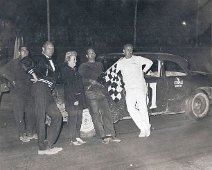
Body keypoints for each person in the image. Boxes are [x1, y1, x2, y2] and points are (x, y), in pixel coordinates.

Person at [79, 48, 121, 144]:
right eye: (90, 53)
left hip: (101, 91)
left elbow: (103, 77)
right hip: (90, 92)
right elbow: (80, 80)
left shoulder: (100, 64)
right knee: (95, 114)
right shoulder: (83, 66)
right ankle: (102, 136)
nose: (92, 54)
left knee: (107, 113)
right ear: (86, 56)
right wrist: (89, 81)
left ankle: (111, 135)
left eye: (93, 52)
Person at [29, 41, 63, 155]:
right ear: (43, 49)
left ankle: (48, 144)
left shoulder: (54, 63)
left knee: (58, 116)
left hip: (47, 91)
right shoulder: (38, 58)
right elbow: (24, 61)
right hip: (39, 88)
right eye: (49, 48)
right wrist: (33, 74)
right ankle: (42, 148)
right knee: (40, 117)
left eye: (52, 48)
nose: (51, 50)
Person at [0, 46, 37, 142]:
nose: (25, 52)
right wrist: (12, 79)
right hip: (17, 92)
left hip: (28, 91)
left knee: (31, 112)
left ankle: (30, 132)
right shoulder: (14, 62)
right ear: (19, 52)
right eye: (23, 50)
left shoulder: (30, 63)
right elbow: (2, 70)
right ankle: (22, 134)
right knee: (19, 113)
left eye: (26, 50)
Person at [116, 44, 153, 137]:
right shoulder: (120, 63)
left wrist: (144, 71)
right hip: (129, 89)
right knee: (131, 109)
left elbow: (150, 62)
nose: (130, 51)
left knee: (143, 108)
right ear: (123, 51)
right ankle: (143, 127)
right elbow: (114, 72)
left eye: (131, 50)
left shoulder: (137, 59)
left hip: (140, 87)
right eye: (127, 50)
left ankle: (146, 129)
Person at [60, 51, 87, 146]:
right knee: (73, 119)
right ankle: (72, 138)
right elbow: (69, 87)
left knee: (79, 118)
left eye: (76, 59)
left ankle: (77, 136)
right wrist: (74, 99)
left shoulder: (74, 70)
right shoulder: (66, 71)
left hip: (79, 98)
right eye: (73, 59)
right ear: (68, 60)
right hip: (72, 100)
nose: (75, 61)